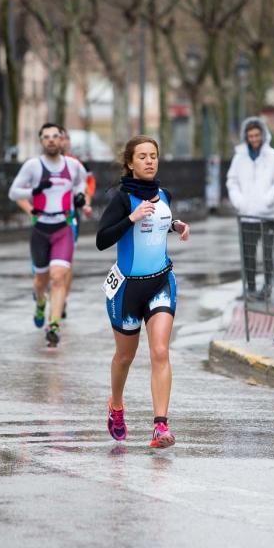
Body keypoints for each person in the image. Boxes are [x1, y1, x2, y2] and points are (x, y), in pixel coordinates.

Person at [96, 135, 190, 448]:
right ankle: (117, 405)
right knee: (125, 356)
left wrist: (175, 225)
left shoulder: (165, 193)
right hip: (126, 289)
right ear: (130, 163)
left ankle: (160, 426)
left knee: (160, 351)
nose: (149, 161)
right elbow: (102, 239)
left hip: (161, 281)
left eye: (153, 156)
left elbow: (161, 218)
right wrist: (131, 218)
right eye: (142, 156)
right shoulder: (122, 199)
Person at [8, 123, 87, 347]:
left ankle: (53, 325)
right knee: (40, 280)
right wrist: (35, 190)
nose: (51, 140)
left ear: (61, 140)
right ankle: (41, 302)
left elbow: (81, 183)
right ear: (41, 141)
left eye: (55, 136)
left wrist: (80, 196)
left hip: (63, 227)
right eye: (46, 137)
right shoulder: (33, 166)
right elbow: (13, 192)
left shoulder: (73, 165)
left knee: (58, 276)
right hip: (41, 229)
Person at [226, 116, 274, 300]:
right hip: (247, 215)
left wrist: (269, 200)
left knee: (268, 254)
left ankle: (267, 288)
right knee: (248, 254)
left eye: (257, 135)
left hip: (268, 215)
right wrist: (238, 201)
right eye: (250, 135)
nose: (254, 139)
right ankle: (250, 288)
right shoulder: (239, 157)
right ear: (246, 136)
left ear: (263, 135)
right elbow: (232, 181)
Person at [62, 130, 94, 318]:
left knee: (66, 260)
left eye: (66, 138)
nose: (63, 142)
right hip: (46, 219)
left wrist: (86, 204)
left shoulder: (78, 164)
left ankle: (62, 299)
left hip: (70, 216)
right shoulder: (41, 164)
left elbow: (88, 185)